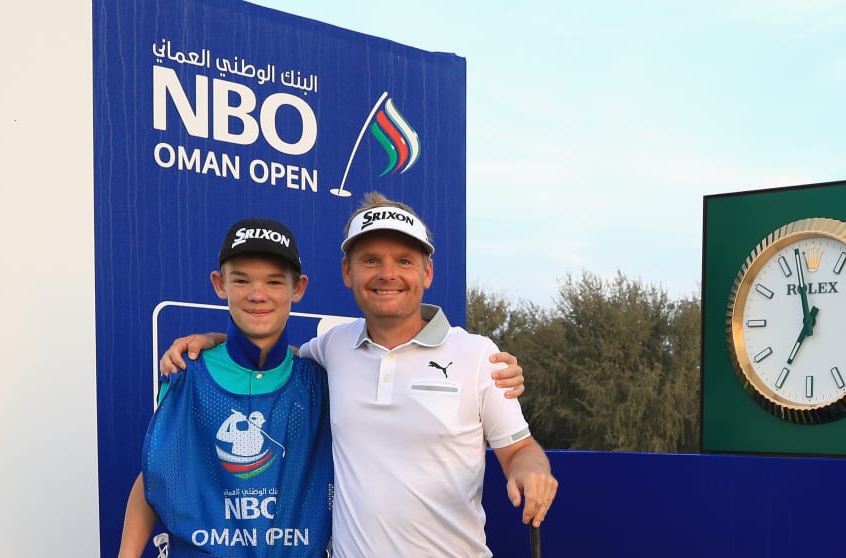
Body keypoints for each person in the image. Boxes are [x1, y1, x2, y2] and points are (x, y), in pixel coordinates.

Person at [162, 193, 557, 557]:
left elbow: (519, 450)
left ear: (428, 272)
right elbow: (277, 356)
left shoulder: (478, 355)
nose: (387, 274)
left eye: (404, 260)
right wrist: (215, 340)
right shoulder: (334, 346)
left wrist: (533, 471)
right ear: (347, 272)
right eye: (371, 260)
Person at [118, 218, 333, 558]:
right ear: (220, 284)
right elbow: (159, 469)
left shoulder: (320, 381)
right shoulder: (185, 371)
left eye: (274, 282)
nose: (257, 294)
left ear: (299, 288)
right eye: (242, 280)